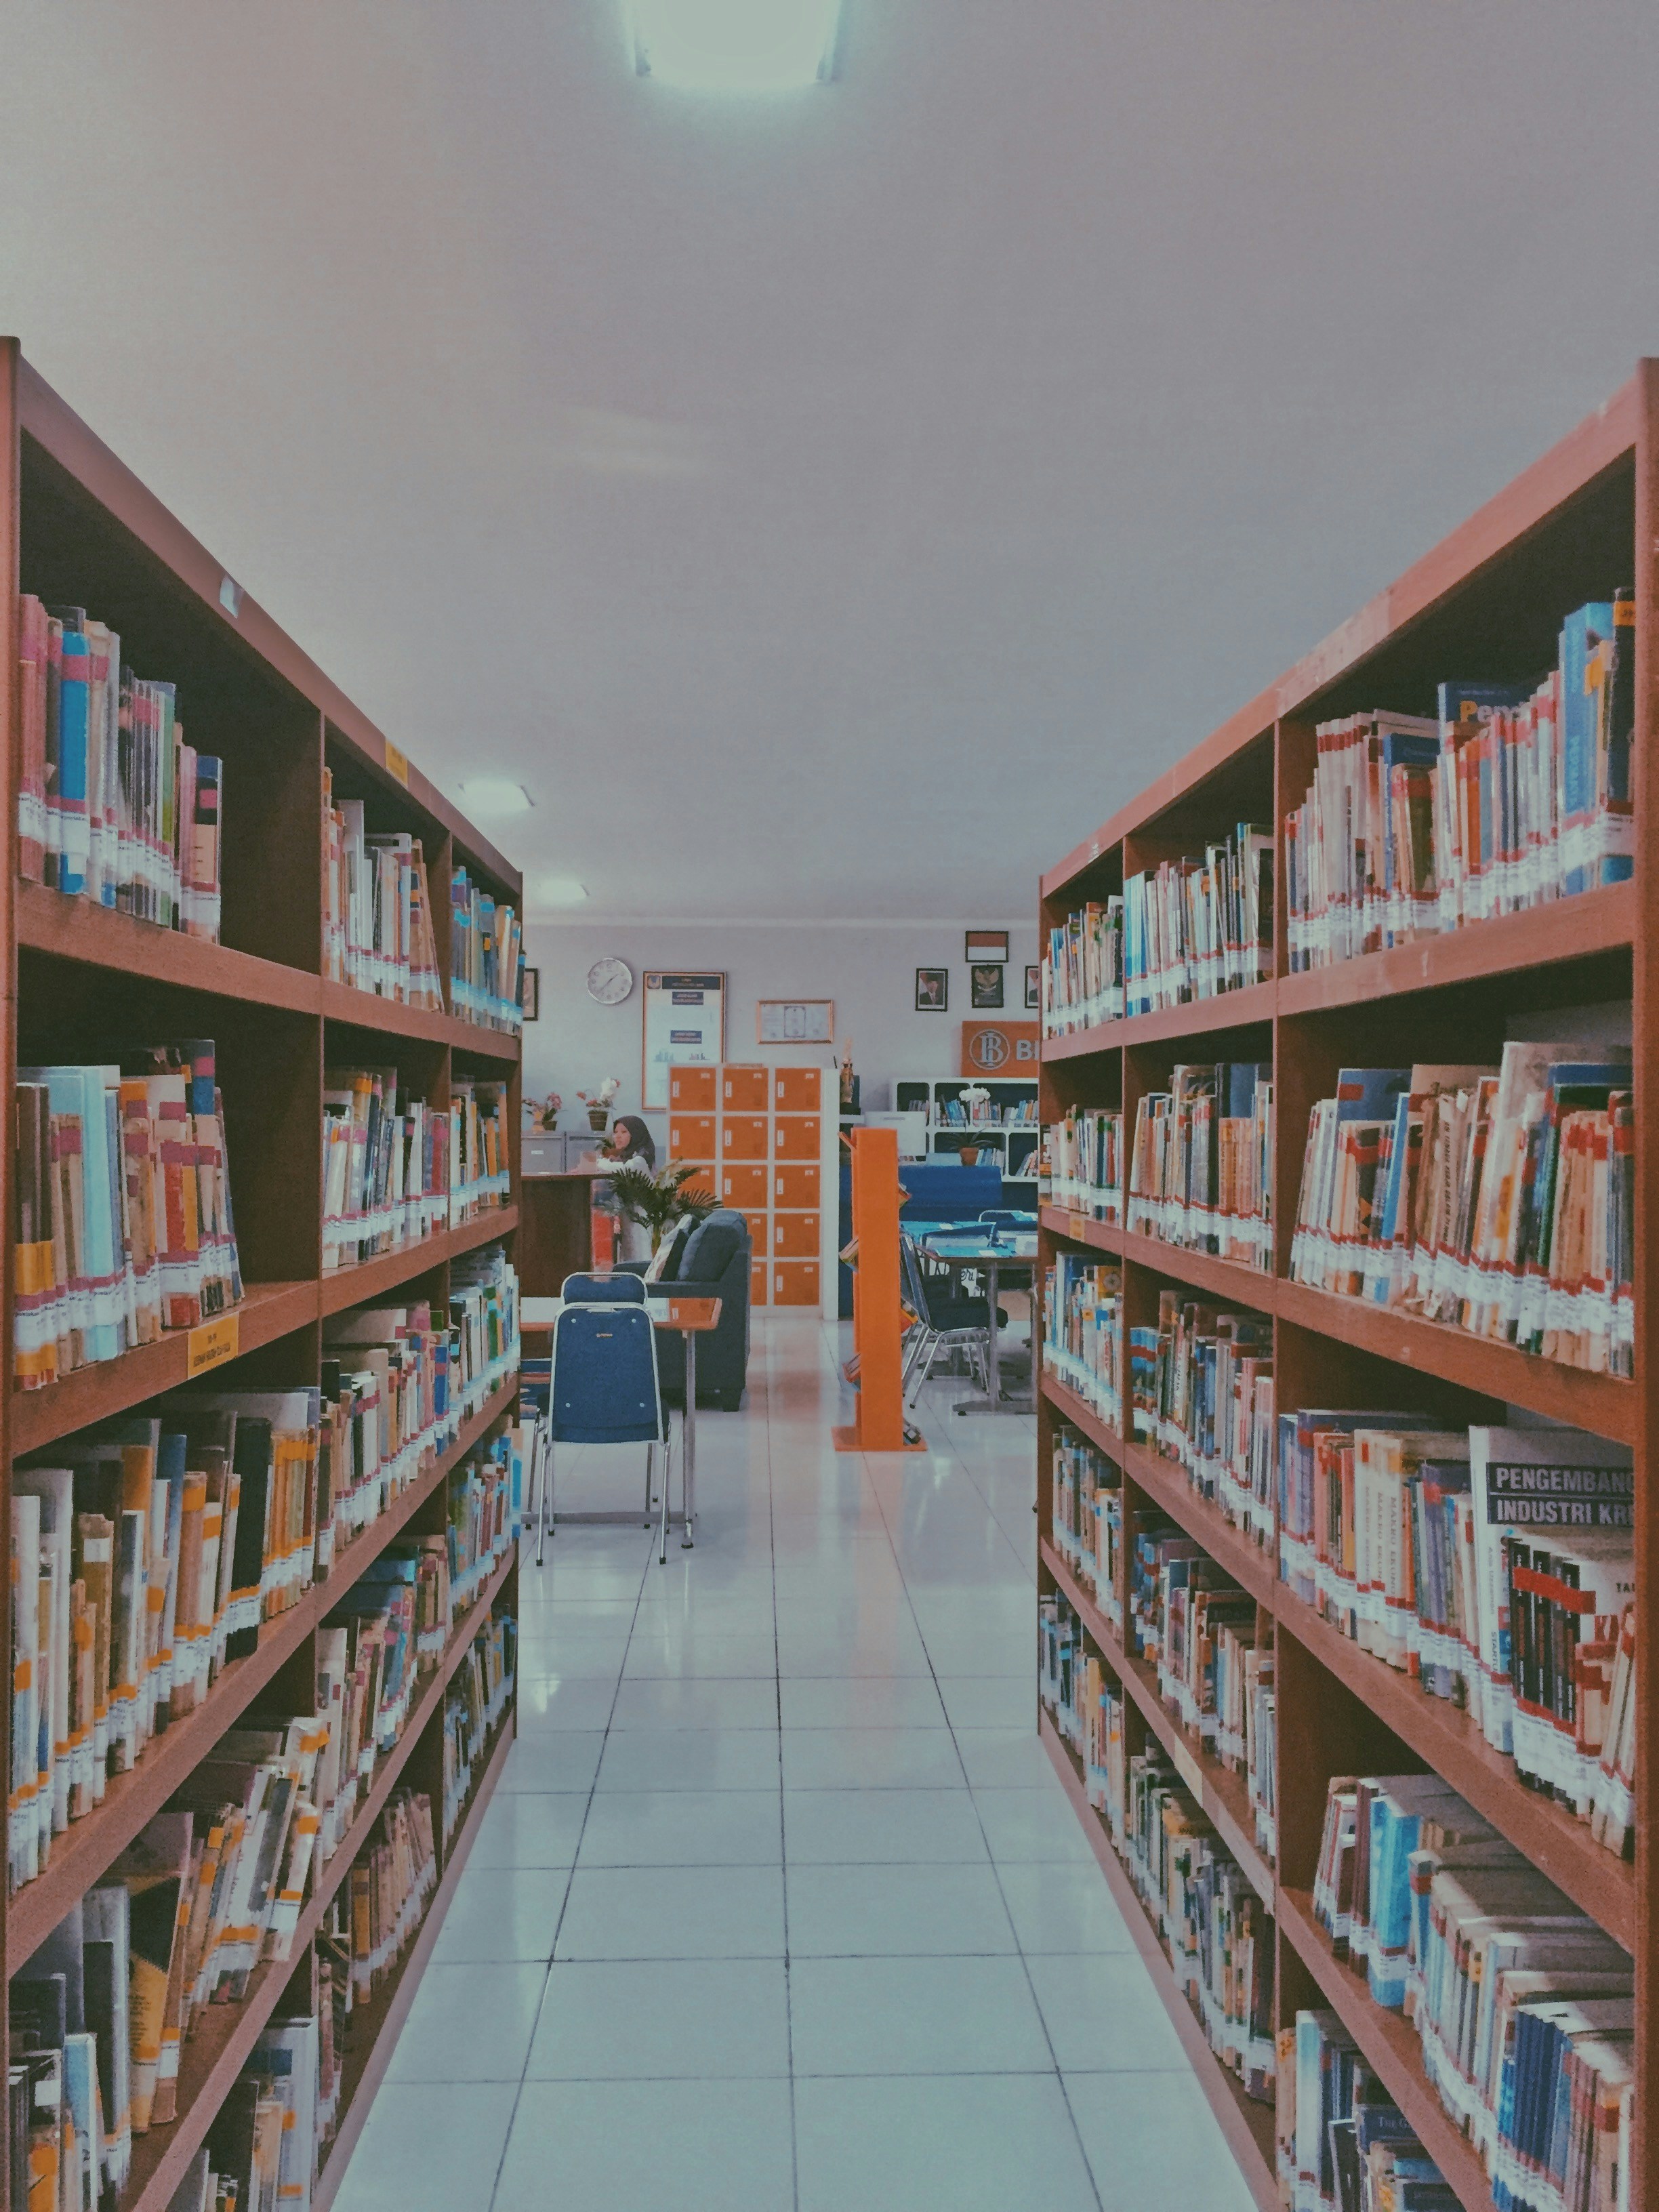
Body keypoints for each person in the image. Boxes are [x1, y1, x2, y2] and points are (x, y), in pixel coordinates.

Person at [600, 1114, 657, 1263]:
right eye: (616, 1132)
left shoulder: (642, 1158)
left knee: (642, 1256)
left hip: (643, 1217)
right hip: (629, 1215)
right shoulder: (622, 1156)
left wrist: (594, 1163)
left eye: (624, 1132)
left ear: (636, 1133)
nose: (618, 1136)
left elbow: (624, 1169)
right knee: (629, 1256)